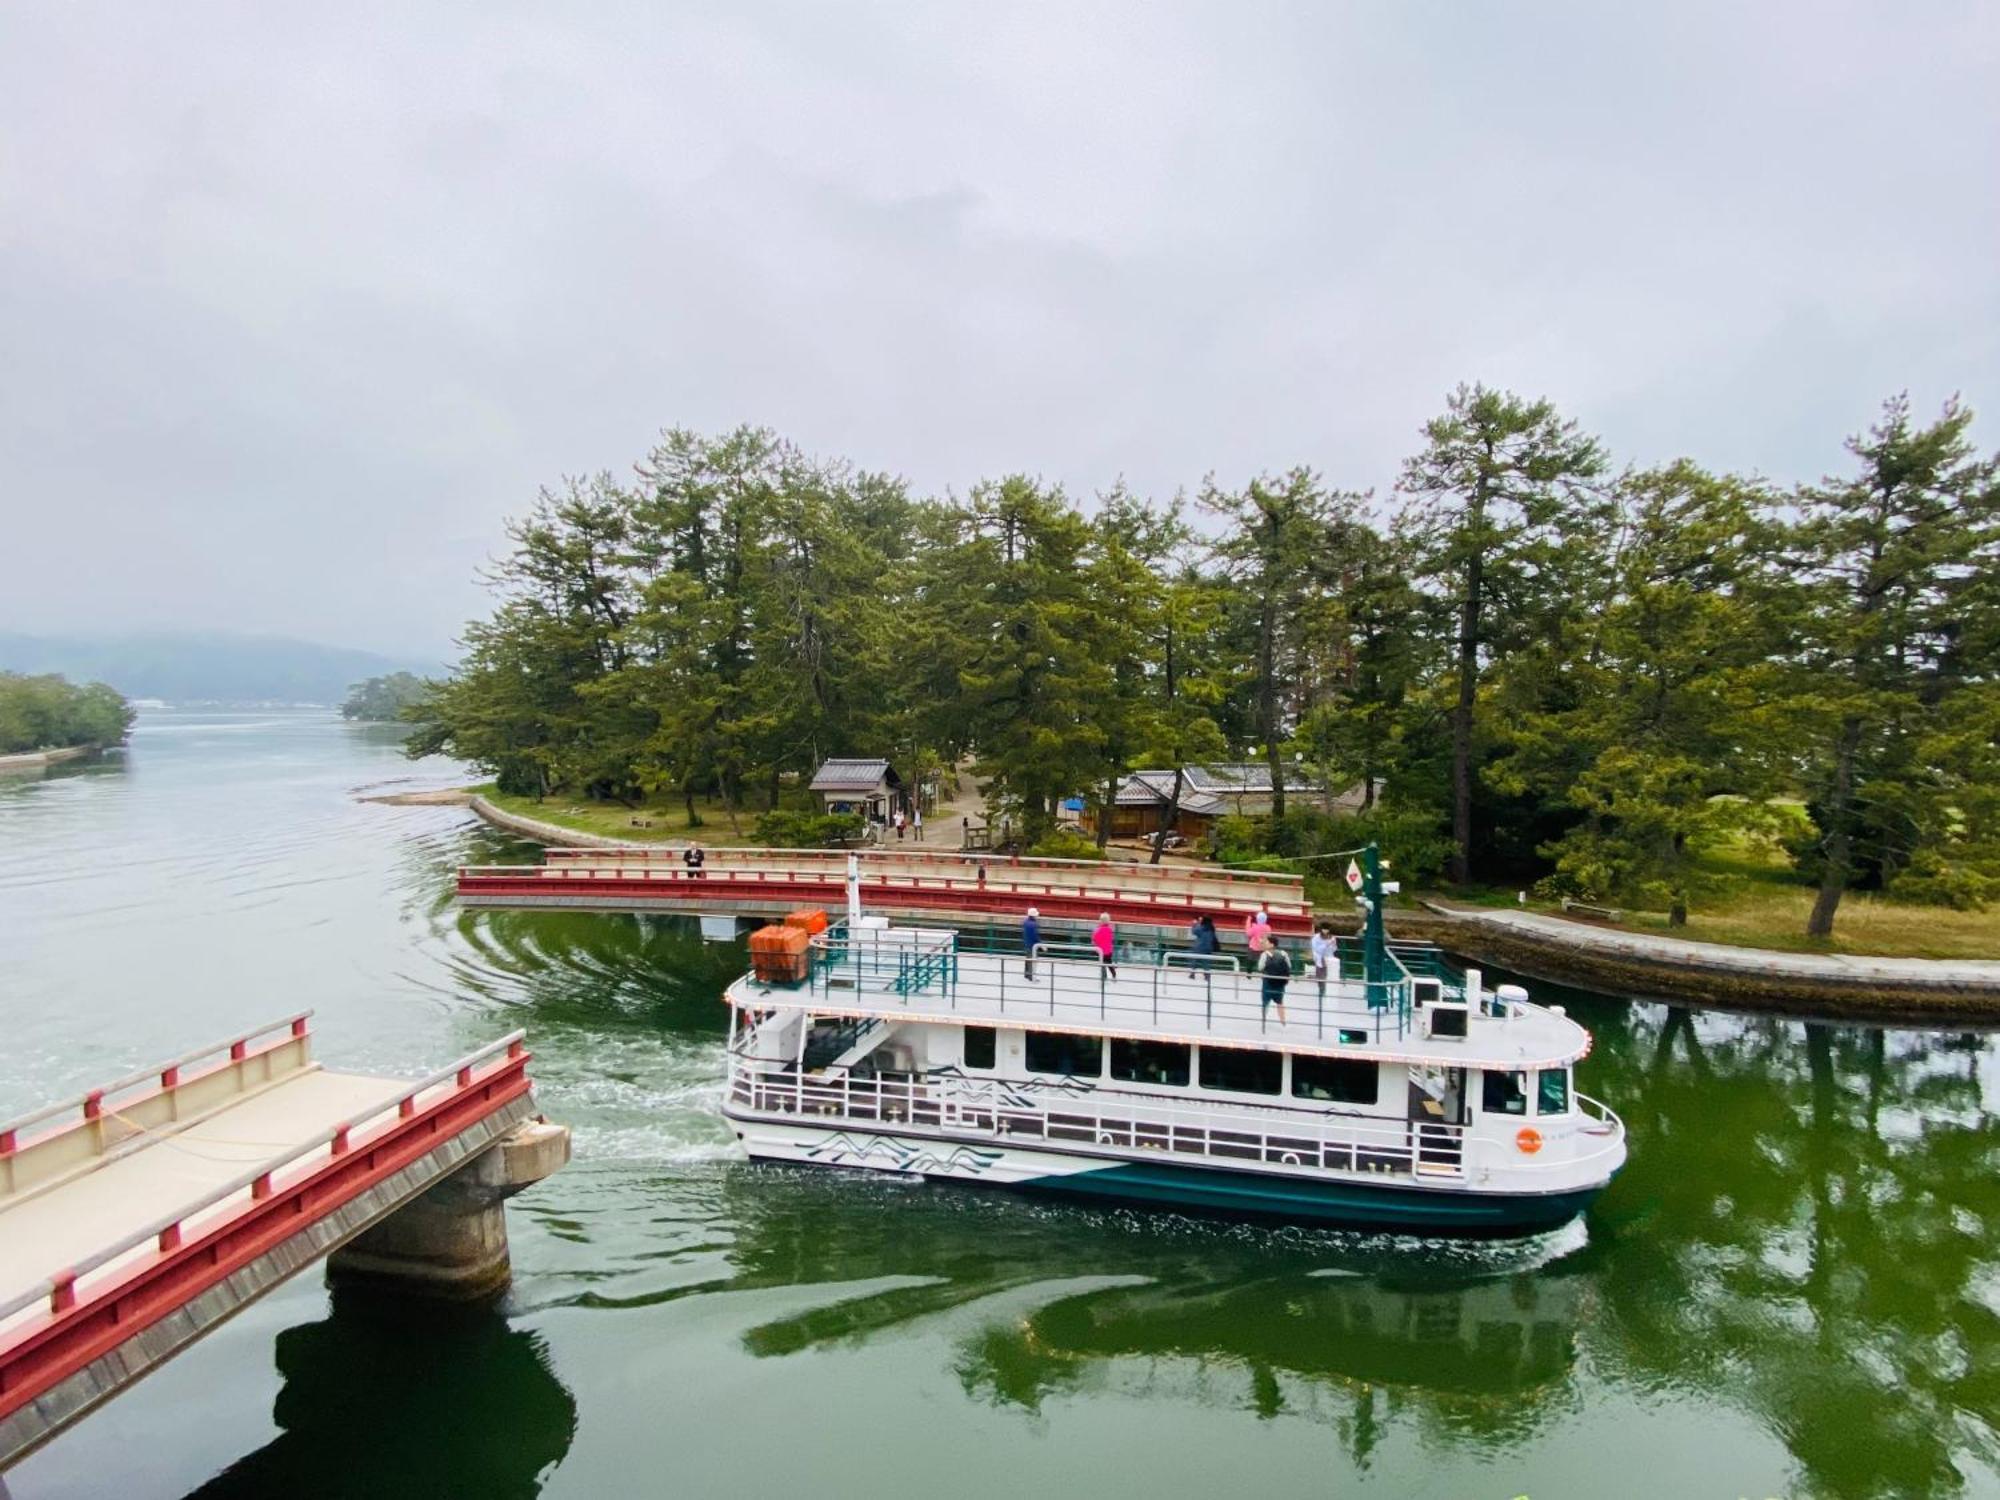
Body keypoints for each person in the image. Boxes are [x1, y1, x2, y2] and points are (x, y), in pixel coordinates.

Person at [1258, 941, 1293, 1026]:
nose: (1265, 944)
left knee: (1265, 1002)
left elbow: (1260, 967)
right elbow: (1289, 966)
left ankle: (1263, 1021)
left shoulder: (1264, 954)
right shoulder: (1283, 953)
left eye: (1267, 942)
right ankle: (1283, 1022)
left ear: (1272, 944)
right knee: (1280, 1002)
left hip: (1268, 981)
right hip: (1280, 982)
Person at [1310, 921, 1335, 1000]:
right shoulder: (1316, 937)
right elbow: (1316, 949)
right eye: (1324, 929)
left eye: (1327, 929)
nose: (1325, 931)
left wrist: (1333, 944)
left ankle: (1326, 990)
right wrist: (1327, 944)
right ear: (1321, 929)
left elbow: (1334, 949)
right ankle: (1321, 989)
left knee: (1327, 975)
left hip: (1329, 958)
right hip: (1319, 957)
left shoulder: (1331, 937)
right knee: (1320, 976)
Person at [1091, 912, 1118, 980]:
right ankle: (1113, 974)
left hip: (1101, 951)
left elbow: (1094, 939)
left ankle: (1104, 976)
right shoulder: (1109, 929)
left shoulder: (1098, 929)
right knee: (1109, 962)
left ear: (1101, 920)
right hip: (1109, 950)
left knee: (1102, 963)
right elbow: (1111, 939)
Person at [1022, 907, 1041, 979]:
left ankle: (1027, 974)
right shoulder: (1033, 924)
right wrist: (1041, 944)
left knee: (1028, 959)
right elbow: (1035, 936)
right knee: (1032, 959)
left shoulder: (1026, 922)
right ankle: (1030, 976)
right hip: (1032, 945)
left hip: (1027, 943)